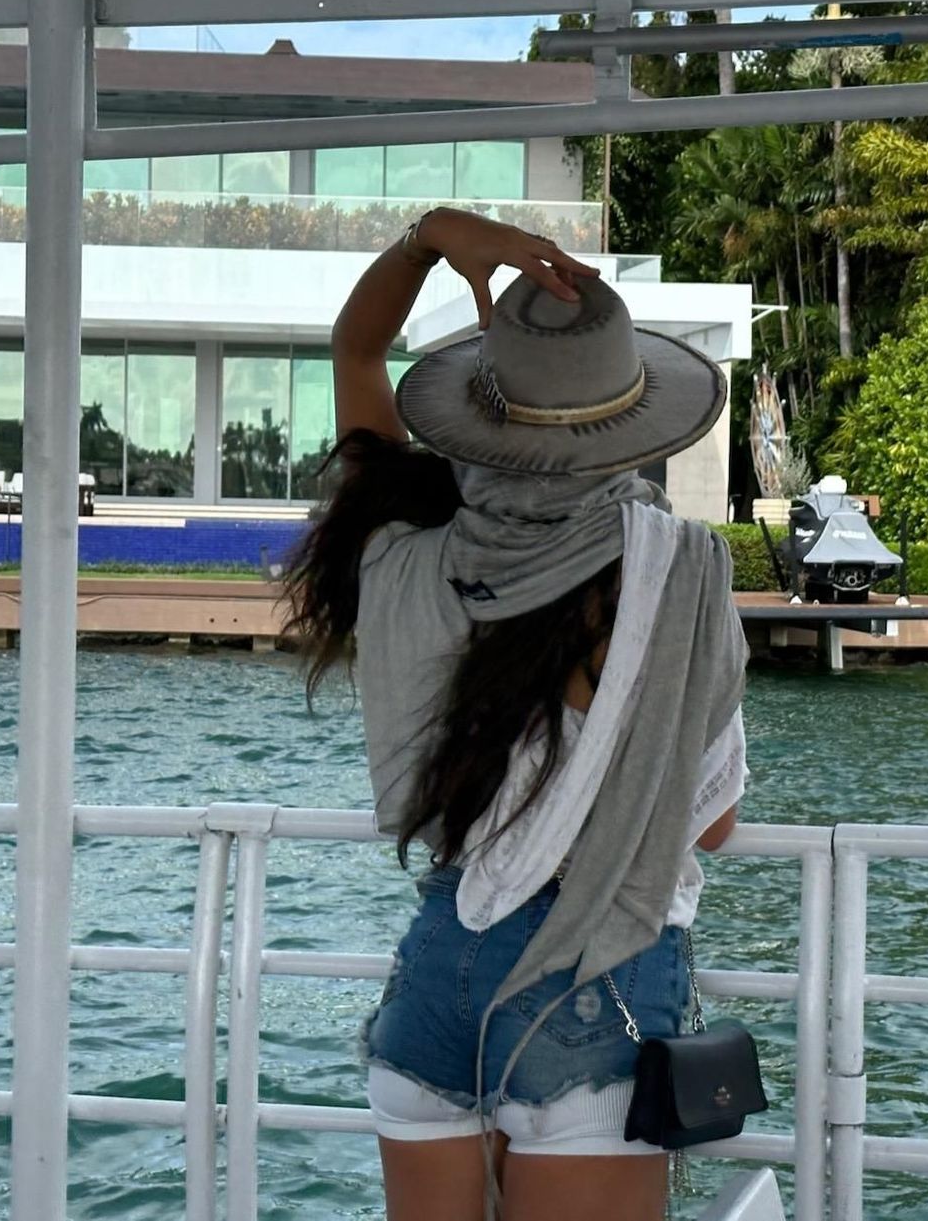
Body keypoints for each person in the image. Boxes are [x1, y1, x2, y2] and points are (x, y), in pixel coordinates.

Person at [284, 208, 749, 1221]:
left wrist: (430, 237)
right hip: (598, 982)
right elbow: (710, 820)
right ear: (631, 423)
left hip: (440, 974)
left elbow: (356, 348)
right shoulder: (675, 570)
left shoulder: (401, 546)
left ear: (481, 415)